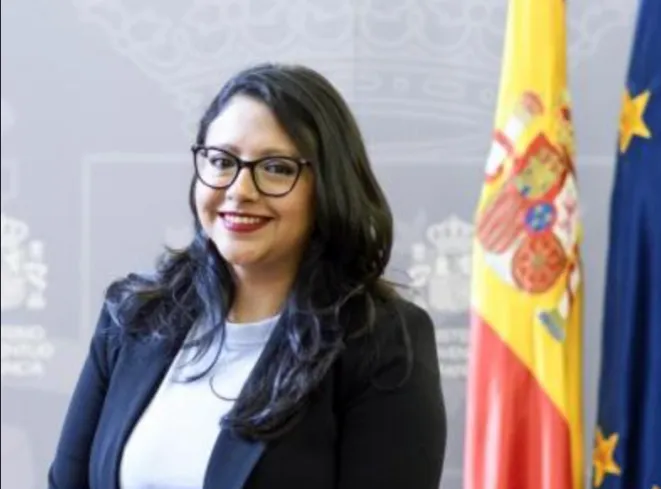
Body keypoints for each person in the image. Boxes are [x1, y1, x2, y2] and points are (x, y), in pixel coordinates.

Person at [47, 63, 447, 489]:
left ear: (328, 185)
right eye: (221, 161)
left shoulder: (381, 342)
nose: (240, 190)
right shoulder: (133, 317)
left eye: (276, 167)